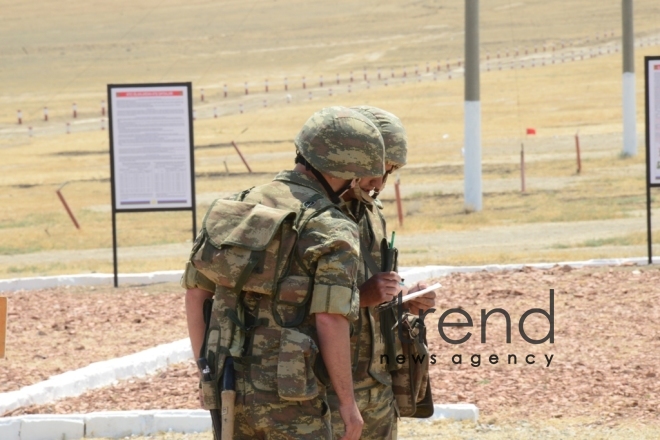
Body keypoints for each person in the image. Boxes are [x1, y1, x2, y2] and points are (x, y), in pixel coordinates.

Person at [182, 106, 385, 440]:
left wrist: (206, 371)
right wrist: (348, 407)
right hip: (294, 397)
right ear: (350, 171)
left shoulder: (234, 208)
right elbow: (330, 319)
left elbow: (196, 295)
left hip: (229, 386)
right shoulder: (332, 229)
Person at [326, 106, 437, 439]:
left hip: (379, 382)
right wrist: (362, 297)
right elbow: (292, 303)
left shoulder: (372, 213)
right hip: (329, 389)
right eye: (374, 170)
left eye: (389, 172)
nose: (380, 183)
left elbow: (380, 289)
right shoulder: (314, 216)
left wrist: (406, 298)